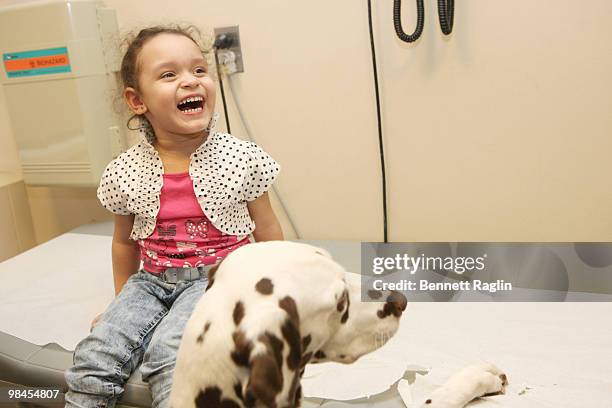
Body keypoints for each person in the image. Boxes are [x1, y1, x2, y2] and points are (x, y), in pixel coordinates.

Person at [64, 25, 283, 408]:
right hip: (150, 282)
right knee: (94, 356)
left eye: (199, 70)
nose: (190, 82)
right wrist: (123, 305)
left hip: (218, 279)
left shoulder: (241, 159)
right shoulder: (125, 171)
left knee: (173, 355)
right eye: (169, 74)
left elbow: (266, 228)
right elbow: (123, 242)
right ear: (137, 100)